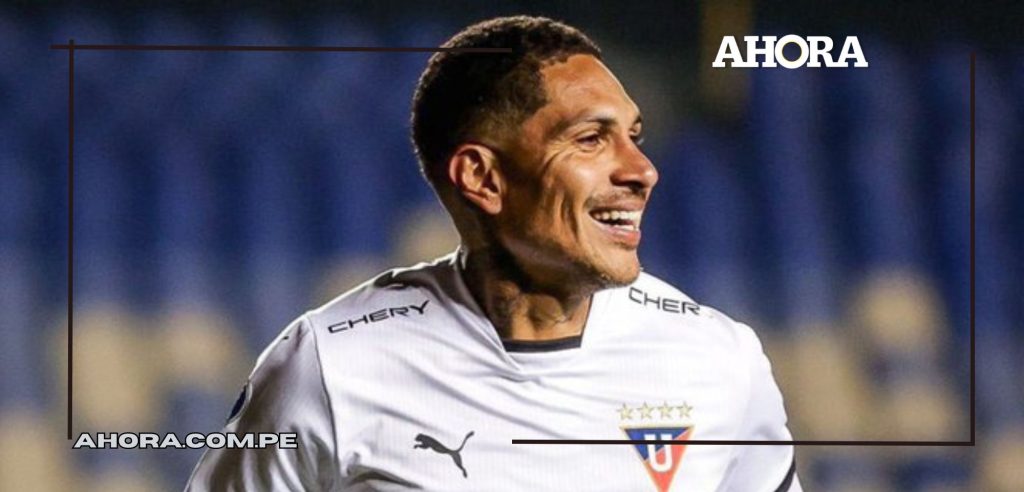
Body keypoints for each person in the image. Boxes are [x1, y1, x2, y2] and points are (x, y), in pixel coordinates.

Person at [186, 15, 800, 491]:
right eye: (591, 139)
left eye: (633, 137)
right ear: (482, 178)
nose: (642, 171)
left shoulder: (719, 359)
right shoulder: (329, 364)